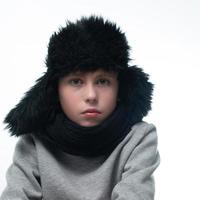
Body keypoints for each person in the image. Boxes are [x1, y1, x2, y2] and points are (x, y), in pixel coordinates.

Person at [0, 15, 160, 200]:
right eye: (76, 81)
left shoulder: (139, 138)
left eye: (103, 81)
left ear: (120, 88)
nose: (91, 95)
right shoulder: (34, 141)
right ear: (56, 90)